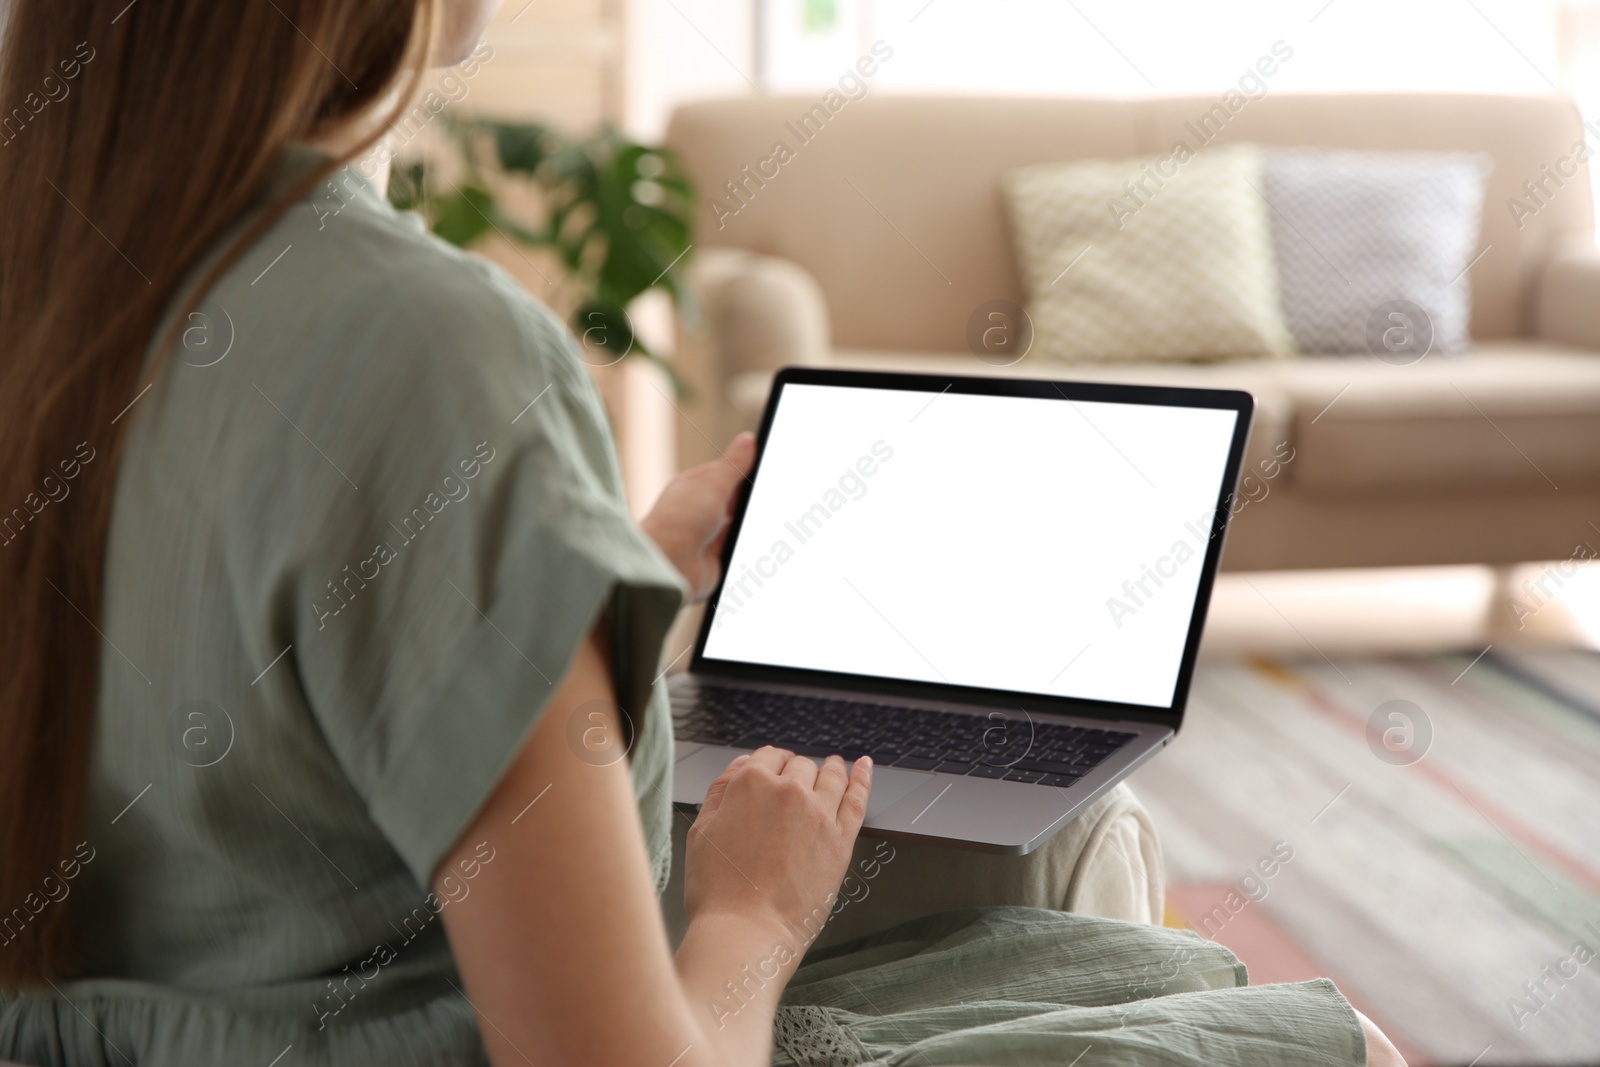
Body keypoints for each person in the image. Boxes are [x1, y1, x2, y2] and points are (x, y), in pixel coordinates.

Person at [0, 2, 1406, 1064]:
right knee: (1325, 1029)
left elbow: (255, 674)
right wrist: (752, 912)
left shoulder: (55, 284)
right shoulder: (432, 353)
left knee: (1087, 865)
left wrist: (577, 581)